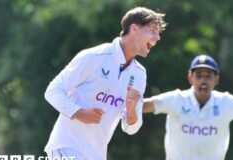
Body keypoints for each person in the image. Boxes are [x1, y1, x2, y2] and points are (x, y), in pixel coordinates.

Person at [44, 7, 166, 160]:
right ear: (134, 28)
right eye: (153, 31)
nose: (158, 37)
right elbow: (53, 91)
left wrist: (132, 109)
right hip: (66, 148)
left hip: (96, 155)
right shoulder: (95, 56)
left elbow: (131, 128)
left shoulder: (139, 74)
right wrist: (79, 113)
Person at [143, 54, 233, 160]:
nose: (203, 81)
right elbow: (143, 106)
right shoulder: (176, 99)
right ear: (190, 78)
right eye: (199, 75)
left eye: (208, 76)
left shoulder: (226, 103)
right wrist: (125, 99)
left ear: (216, 79)